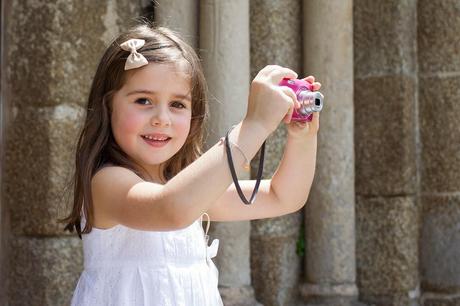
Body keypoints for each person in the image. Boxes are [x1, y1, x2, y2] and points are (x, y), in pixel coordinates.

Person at [61, 23, 321, 306]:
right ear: (107, 107)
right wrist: (253, 126)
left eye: (178, 105)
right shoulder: (107, 182)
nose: (162, 118)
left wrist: (303, 137)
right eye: (143, 100)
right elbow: (170, 209)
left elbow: (282, 197)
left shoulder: (186, 191)